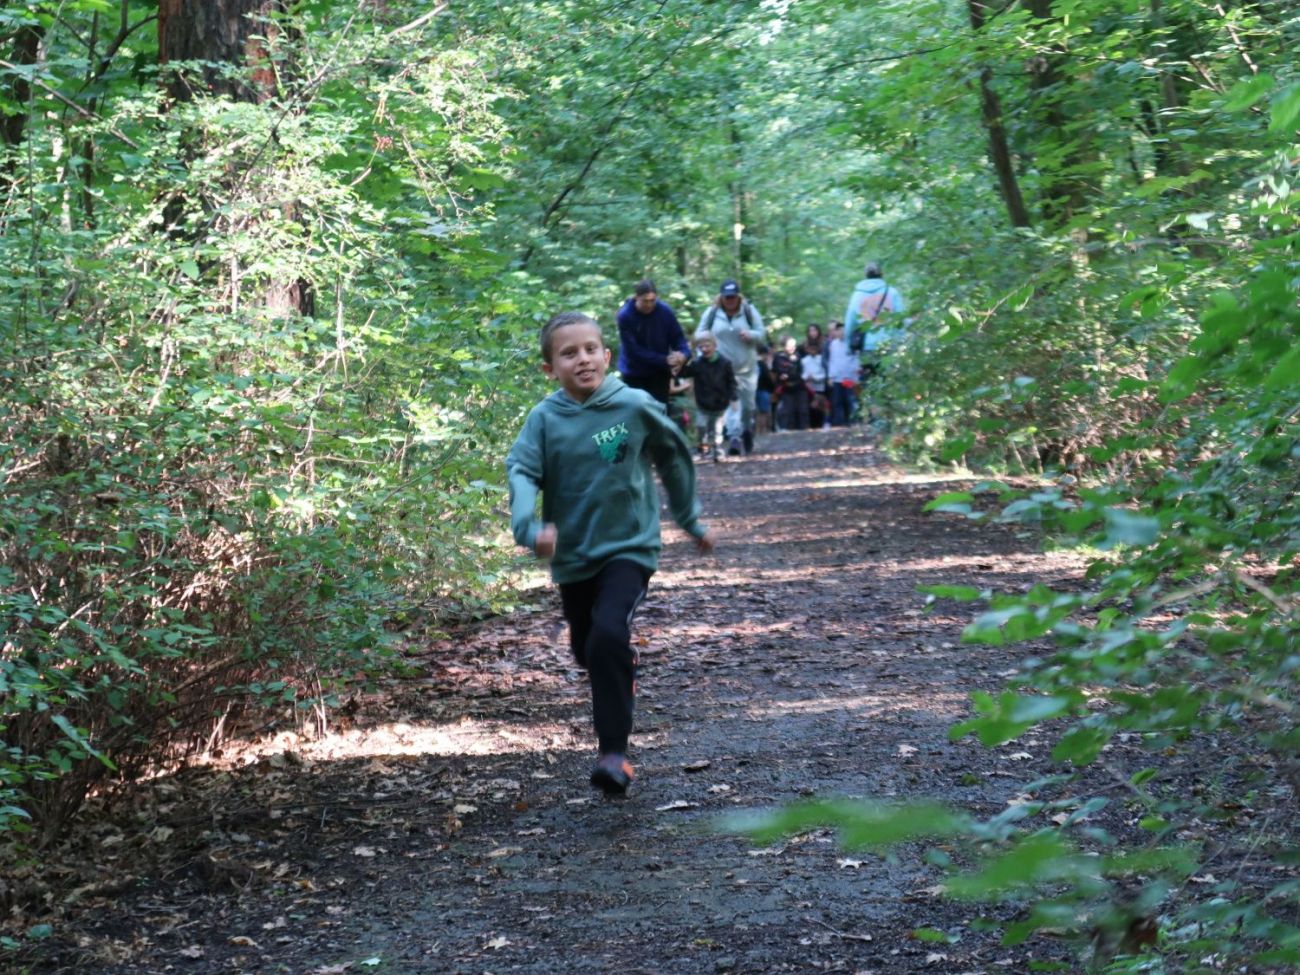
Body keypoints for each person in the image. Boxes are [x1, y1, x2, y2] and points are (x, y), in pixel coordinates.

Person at [506, 312, 716, 797]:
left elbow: (673, 456)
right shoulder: (545, 419)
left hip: (630, 547)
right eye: (568, 353)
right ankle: (618, 662)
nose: (582, 359)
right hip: (574, 556)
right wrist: (528, 527)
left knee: (607, 634)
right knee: (588, 649)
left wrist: (689, 520)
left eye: (590, 349)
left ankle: (614, 755)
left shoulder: (634, 405)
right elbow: (522, 470)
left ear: (606, 356)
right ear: (549, 368)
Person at [698, 279, 766, 455]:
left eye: (733, 297)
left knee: (748, 407)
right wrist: (705, 350)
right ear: (721, 296)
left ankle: (747, 430)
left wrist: (751, 335)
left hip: (747, 369)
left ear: (738, 296)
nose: (730, 300)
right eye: (727, 297)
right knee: (729, 405)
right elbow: (700, 334)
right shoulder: (712, 313)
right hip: (721, 370)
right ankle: (735, 437)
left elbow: (762, 333)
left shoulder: (749, 311)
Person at [615, 279, 689, 405]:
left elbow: (677, 337)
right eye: (645, 301)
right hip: (634, 373)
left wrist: (683, 354)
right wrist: (664, 360)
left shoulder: (665, 312)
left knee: (659, 410)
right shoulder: (625, 316)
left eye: (652, 300)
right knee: (636, 411)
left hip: (659, 373)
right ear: (637, 298)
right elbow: (632, 351)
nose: (649, 305)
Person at [678, 330, 738, 462]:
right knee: (701, 426)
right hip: (703, 403)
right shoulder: (697, 364)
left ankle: (717, 451)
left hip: (720, 403)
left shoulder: (725, 363)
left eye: (707, 346)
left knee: (717, 429)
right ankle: (704, 449)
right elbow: (682, 373)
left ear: (715, 346)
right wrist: (686, 356)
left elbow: (731, 382)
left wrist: (733, 397)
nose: (704, 349)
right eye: (701, 347)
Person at [843, 261, 907, 369]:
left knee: (869, 377)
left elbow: (850, 323)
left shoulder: (857, 295)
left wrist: (848, 345)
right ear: (882, 274)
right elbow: (900, 320)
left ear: (865, 275)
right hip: (888, 343)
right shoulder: (892, 293)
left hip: (866, 345)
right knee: (887, 377)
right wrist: (899, 341)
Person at [825, 321, 860, 426]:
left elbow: (856, 359)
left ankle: (853, 421)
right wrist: (830, 376)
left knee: (850, 400)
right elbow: (832, 360)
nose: (840, 332)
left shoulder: (852, 343)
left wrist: (856, 375)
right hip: (837, 378)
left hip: (849, 377)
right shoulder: (833, 344)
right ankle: (839, 423)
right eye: (838, 330)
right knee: (837, 401)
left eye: (842, 330)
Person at [772, 335, 808, 431]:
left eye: (794, 346)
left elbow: (801, 371)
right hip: (785, 388)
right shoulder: (778, 357)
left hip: (799, 386)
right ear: (784, 346)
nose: (792, 348)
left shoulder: (798, 356)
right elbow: (777, 371)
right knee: (787, 409)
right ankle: (786, 428)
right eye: (789, 346)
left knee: (802, 409)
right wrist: (782, 376)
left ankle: (804, 428)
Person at [800, 335, 830, 429]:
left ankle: (822, 424)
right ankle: (812, 425)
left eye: (814, 349)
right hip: (809, 388)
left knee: (820, 407)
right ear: (807, 349)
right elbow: (802, 374)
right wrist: (807, 377)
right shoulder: (804, 361)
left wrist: (815, 378)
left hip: (820, 387)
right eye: (810, 349)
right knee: (810, 407)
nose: (812, 350)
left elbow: (824, 374)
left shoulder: (821, 359)